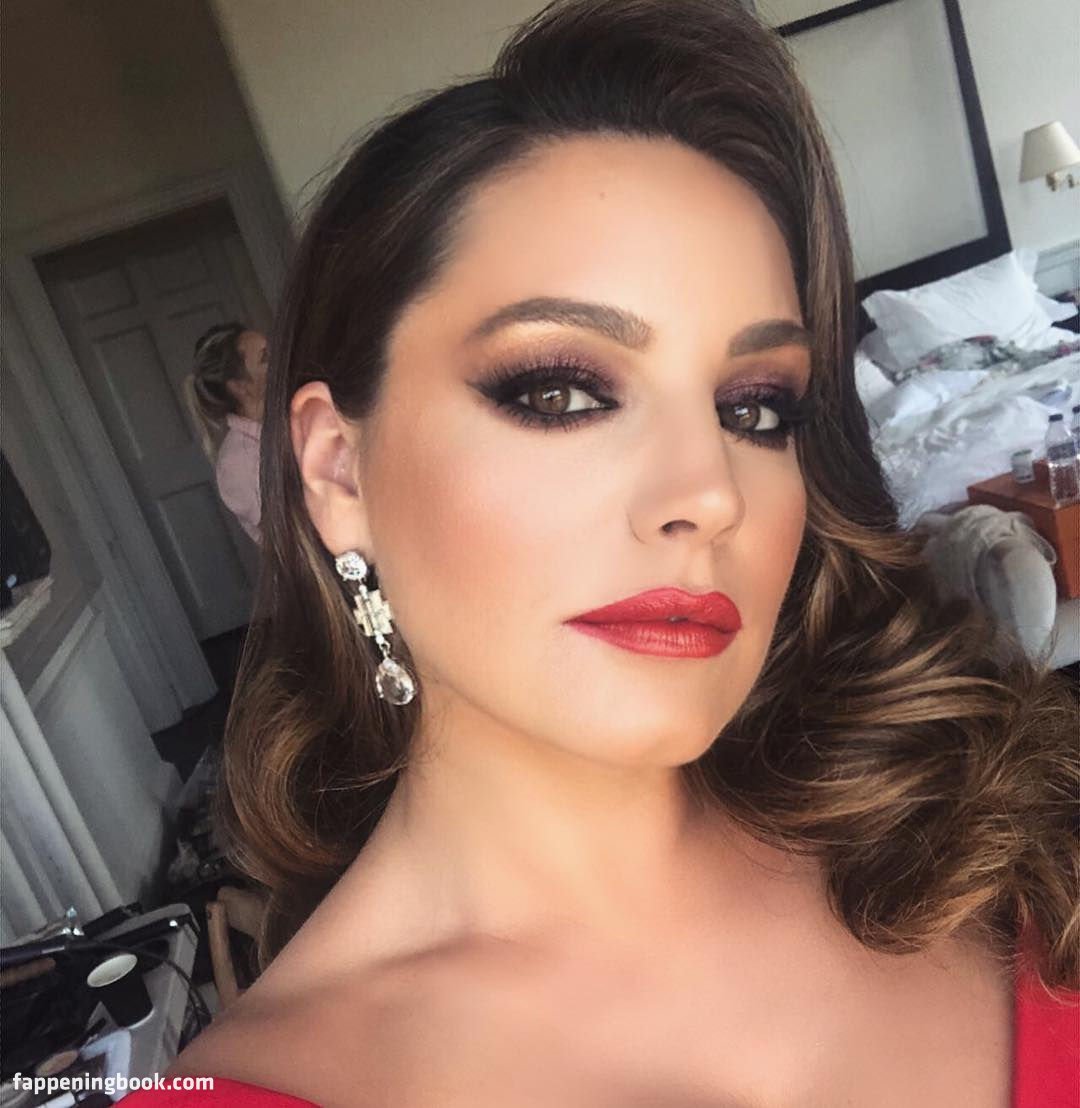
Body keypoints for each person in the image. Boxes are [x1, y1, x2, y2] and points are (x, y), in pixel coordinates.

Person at [126, 1, 1078, 1104]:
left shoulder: (988, 826)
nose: (709, 492)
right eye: (561, 391)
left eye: (756, 408)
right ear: (339, 473)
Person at [186, 322, 269, 544]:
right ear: (240, 386)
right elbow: (290, 537)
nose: (281, 361)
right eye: (265, 358)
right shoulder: (236, 464)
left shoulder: (292, 418)